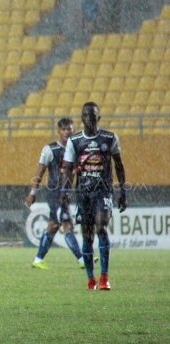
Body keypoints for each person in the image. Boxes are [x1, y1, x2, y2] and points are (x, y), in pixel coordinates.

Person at [61, 102, 127, 290]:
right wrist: (64, 191)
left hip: (103, 191)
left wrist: (123, 191)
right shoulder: (75, 142)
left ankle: (104, 277)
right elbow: (67, 169)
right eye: (86, 115)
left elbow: (119, 165)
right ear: (82, 118)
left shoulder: (110, 138)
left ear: (98, 118)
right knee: (87, 237)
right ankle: (91, 278)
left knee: (101, 228)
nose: (89, 119)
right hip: (83, 193)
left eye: (93, 115)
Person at [25, 118, 87, 270]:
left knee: (53, 226)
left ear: (73, 131)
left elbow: (76, 173)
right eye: (64, 129)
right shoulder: (50, 150)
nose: (67, 132)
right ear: (59, 131)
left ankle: (38, 259)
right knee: (67, 224)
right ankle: (82, 259)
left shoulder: (77, 151)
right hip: (53, 195)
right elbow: (39, 172)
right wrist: (33, 193)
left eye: (69, 129)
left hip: (65, 195)